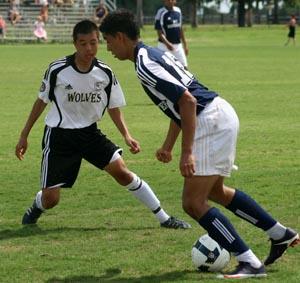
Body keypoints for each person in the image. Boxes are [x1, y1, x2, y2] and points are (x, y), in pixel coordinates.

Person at [99, 10, 300, 279]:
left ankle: (249, 262)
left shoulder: (145, 64)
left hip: (210, 119)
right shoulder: (151, 56)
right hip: (219, 113)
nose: (108, 48)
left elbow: (188, 102)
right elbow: (179, 104)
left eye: (108, 41)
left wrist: (187, 152)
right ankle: (280, 234)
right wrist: (168, 145)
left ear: (120, 37)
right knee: (216, 191)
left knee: (193, 203)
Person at [16, 19, 191, 230]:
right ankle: (36, 206)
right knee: (51, 199)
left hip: (90, 134)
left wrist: (126, 135)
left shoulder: (105, 73)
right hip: (59, 137)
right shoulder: (57, 70)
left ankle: (164, 218)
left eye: (93, 42)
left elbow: (113, 107)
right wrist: (24, 135)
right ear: (74, 44)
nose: (89, 48)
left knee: (123, 172)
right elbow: (41, 102)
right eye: (83, 43)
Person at [154, 0, 188, 68]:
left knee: (184, 67)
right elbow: (159, 33)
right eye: (168, 0)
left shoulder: (178, 11)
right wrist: (168, 44)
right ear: (164, 1)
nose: (170, 1)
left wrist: (185, 44)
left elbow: (180, 29)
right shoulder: (161, 12)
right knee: (164, 69)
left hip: (178, 45)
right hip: (164, 46)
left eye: (172, 0)